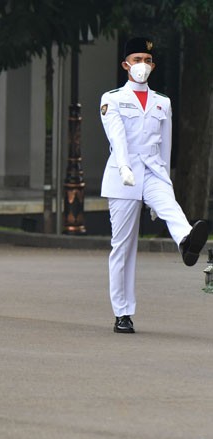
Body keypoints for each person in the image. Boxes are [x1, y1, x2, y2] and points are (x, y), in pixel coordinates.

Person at [99, 37, 209, 334]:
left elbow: (165, 145)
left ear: (154, 65)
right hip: (123, 173)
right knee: (123, 246)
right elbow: (116, 136)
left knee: (169, 206)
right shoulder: (112, 98)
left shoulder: (163, 102)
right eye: (137, 60)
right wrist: (124, 166)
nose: (142, 65)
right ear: (125, 65)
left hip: (152, 169)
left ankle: (186, 240)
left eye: (147, 61)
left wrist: (166, 183)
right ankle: (123, 313)